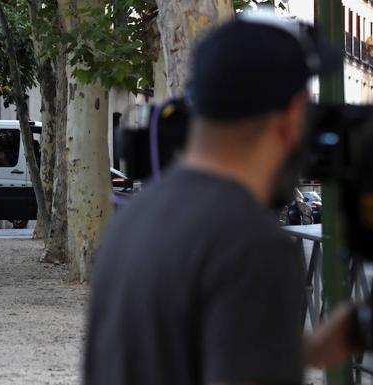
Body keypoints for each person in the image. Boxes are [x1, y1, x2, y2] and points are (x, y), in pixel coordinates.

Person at [85, 12, 358, 385]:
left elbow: (175, 354)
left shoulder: (133, 219)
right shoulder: (253, 245)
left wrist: (306, 351)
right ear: (292, 117)